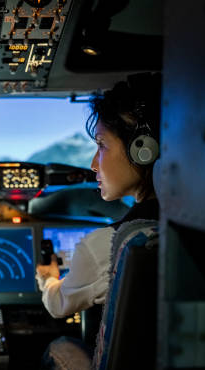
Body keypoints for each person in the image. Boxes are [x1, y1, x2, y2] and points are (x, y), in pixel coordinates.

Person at [35, 73, 160, 319]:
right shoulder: (186, 222)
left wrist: (48, 279)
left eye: (102, 145)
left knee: (59, 347)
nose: (94, 164)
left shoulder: (111, 244)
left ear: (143, 150)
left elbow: (58, 304)